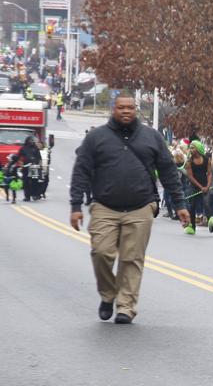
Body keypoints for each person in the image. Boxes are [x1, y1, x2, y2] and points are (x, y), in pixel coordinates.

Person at [69, 94, 190, 324]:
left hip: (140, 208)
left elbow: (168, 172)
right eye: (121, 107)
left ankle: (126, 306)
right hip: (105, 206)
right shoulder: (97, 138)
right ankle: (108, 295)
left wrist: (180, 204)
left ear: (136, 110)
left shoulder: (151, 137)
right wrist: (76, 205)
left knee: (131, 258)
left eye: (131, 108)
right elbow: (81, 171)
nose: (126, 111)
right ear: (113, 109)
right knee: (102, 253)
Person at [183, 140, 209, 233]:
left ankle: (211, 222)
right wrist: (201, 187)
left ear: (198, 149)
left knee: (207, 203)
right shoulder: (189, 161)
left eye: (193, 147)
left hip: (205, 184)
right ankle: (192, 226)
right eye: (190, 147)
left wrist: (207, 185)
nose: (191, 149)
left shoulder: (206, 159)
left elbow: (209, 173)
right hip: (193, 186)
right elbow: (190, 176)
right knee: (192, 206)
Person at [16, 135, 41, 202]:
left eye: (33, 140)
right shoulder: (23, 148)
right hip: (26, 167)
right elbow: (18, 157)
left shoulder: (35, 148)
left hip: (34, 167)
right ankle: (27, 196)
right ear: (27, 141)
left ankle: (35, 195)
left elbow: (39, 158)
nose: (32, 142)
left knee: (34, 181)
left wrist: (38, 165)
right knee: (26, 182)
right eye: (31, 140)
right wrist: (20, 163)